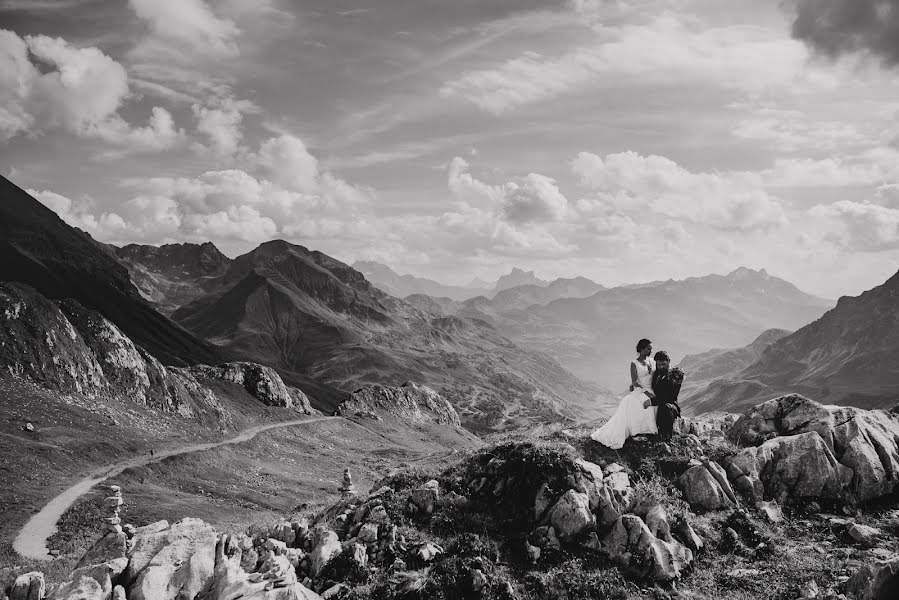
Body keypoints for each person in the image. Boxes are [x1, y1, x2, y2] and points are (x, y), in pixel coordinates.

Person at [591, 338, 658, 449]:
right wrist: (646, 393)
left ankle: (650, 430)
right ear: (641, 349)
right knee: (645, 404)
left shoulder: (652, 361)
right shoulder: (634, 363)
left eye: (651, 349)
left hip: (652, 388)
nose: (650, 351)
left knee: (656, 403)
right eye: (648, 349)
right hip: (640, 389)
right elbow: (635, 382)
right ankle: (638, 431)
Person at [643, 351, 682, 440]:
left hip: (670, 405)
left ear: (669, 361)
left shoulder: (676, 374)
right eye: (658, 364)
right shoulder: (656, 373)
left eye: (663, 364)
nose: (661, 367)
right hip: (656, 401)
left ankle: (666, 437)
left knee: (665, 407)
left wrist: (651, 401)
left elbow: (669, 396)